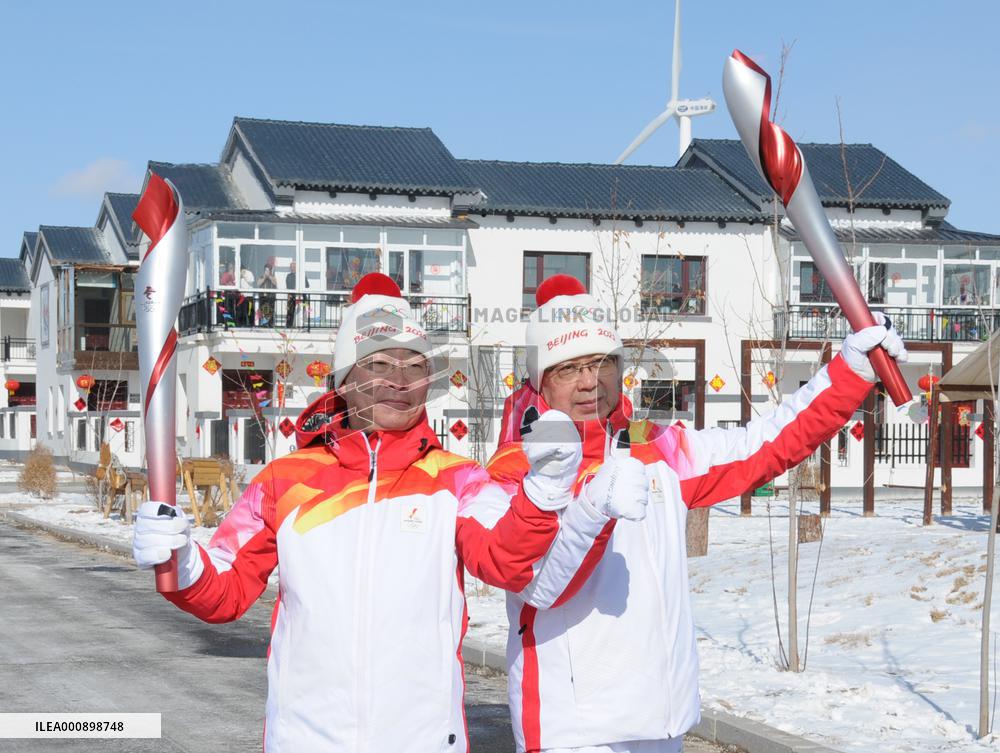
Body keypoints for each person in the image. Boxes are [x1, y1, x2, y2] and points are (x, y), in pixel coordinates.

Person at [132, 273, 636, 753]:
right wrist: (183, 560)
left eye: (415, 367)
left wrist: (543, 492)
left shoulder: (456, 479)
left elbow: (504, 561)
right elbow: (226, 591)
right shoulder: (286, 481)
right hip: (307, 740)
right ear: (344, 379)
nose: (399, 381)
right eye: (378, 364)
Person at [486, 274, 908, 753]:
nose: (589, 381)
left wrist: (849, 372)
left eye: (602, 362)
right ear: (540, 381)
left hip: (660, 722)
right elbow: (535, 581)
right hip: (574, 730)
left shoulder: (657, 451)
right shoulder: (516, 472)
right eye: (568, 368)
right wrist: (588, 504)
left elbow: (765, 444)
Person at [285, 261, 306, 328]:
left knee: (301, 312)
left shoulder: (302, 275)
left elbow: (306, 285)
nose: (292, 268)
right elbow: (288, 287)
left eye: (294, 267)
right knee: (290, 312)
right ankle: (289, 325)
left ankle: (301, 325)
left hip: (301, 297)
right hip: (292, 296)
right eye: (291, 267)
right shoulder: (289, 276)